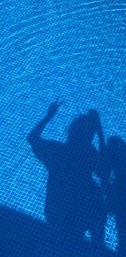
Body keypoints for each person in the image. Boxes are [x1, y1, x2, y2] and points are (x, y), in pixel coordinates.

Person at [28, 102, 106, 245]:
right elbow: (104, 172)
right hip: (82, 211)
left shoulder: (56, 152)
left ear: (70, 132)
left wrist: (49, 116)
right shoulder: (89, 155)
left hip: (56, 211)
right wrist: (100, 133)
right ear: (90, 137)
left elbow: (32, 138)